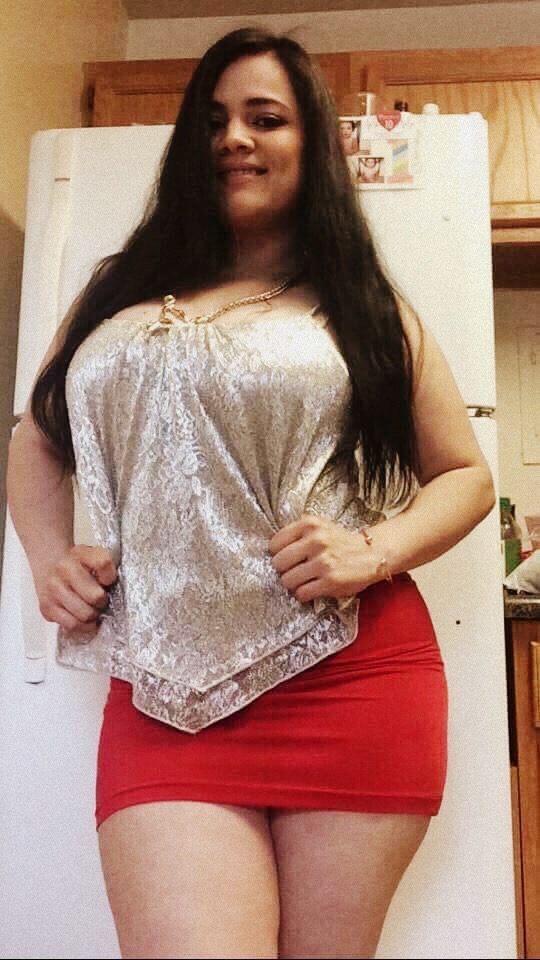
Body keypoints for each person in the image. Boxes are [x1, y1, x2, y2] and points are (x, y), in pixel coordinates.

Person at [7, 27, 495, 960]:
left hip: (354, 683)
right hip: (163, 696)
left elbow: (465, 475)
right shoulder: (118, 292)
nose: (233, 137)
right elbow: (37, 439)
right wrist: (48, 559)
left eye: (264, 118)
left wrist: (375, 549)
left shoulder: (364, 307)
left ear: (310, 143)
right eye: (213, 120)